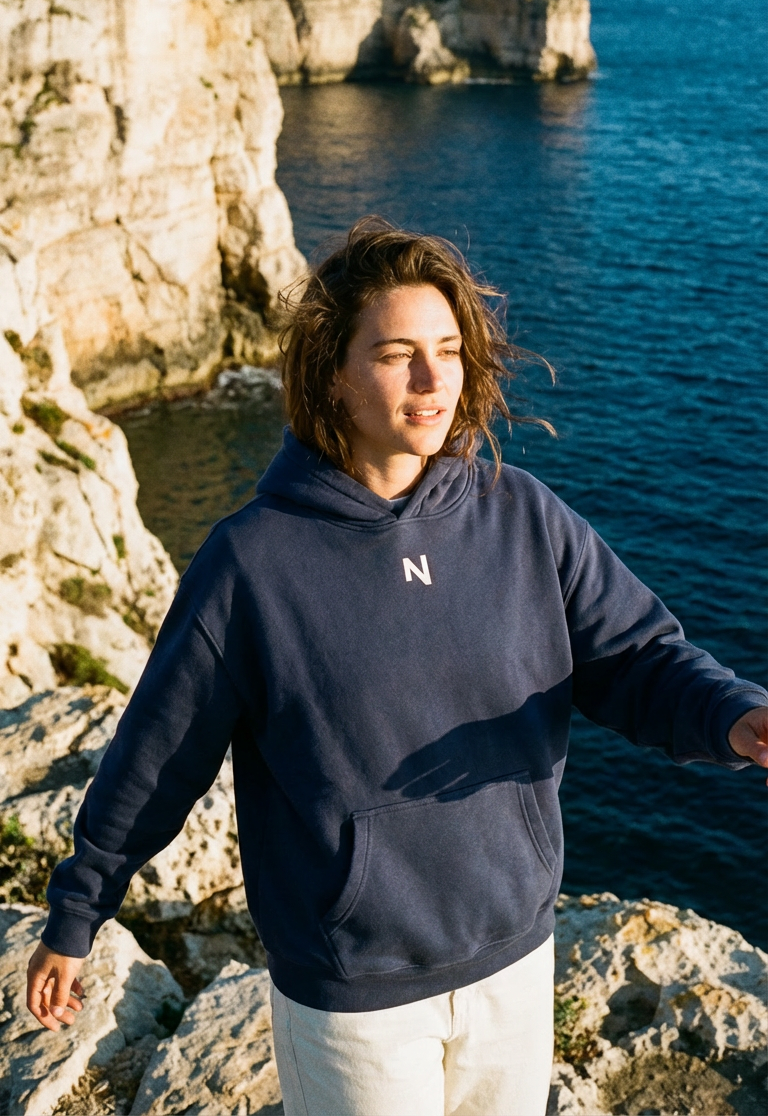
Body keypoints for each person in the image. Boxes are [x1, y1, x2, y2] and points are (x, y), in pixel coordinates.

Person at [27, 219, 768, 1116]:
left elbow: (636, 656)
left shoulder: (522, 516)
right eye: (396, 355)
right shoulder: (252, 563)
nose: (432, 380)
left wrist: (735, 716)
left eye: (449, 351)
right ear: (332, 375)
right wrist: (79, 911)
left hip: (515, 961)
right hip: (353, 995)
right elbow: (159, 756)